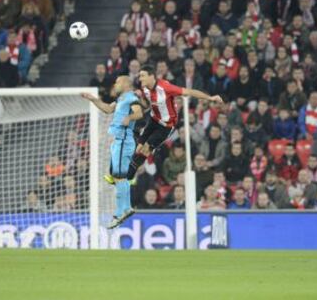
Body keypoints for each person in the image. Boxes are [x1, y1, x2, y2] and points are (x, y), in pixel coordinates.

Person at [126, 65, 222, 181]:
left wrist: (211, 98)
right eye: (139, 76)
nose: (140, 78)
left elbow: (189, 91)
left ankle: (127, 176)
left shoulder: (165, 87)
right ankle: (126, 172)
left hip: (166, 126)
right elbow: (147, 104)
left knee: (146, 148)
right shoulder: (144, 89)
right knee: (138, 148)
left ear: (151, 76)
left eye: (142, 76)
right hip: (153, 120)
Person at [82, 76, 143, 229]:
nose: (115, 84)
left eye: (117, 82)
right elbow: (108, 109)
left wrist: (129, 117)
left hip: (123, 139)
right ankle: (121, 211)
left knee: (120, 176)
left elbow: (139, 112)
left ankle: (124, 209)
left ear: (125, 83)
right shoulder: (122, 98)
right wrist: (93, 99)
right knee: (116, 176)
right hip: (118, 141)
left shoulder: (131, 97)